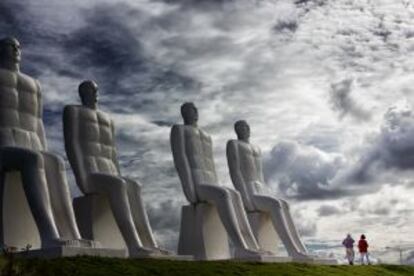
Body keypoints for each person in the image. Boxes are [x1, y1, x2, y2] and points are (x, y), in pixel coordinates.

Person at [0, 37, 88, 248]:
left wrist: (45, 151)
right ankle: (48, 235)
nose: (16, 49)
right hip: (3, 147)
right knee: (32, 158)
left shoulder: (34, 84)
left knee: (55, 161)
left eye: (18, 46)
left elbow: (38, 122)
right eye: (10, 46)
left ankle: (72, 233)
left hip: (29, 145)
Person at [63, 80, 168, 257]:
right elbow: (71, 144)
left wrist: (118, 174)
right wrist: (81, 178)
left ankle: (150, 243)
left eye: (96, 89)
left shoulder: (108, 120)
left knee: (133, 185)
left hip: (109, 173)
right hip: (90, 174)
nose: (94, 93)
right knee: (119, 184)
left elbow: (112, 153)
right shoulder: (73, 111)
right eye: (90, 90)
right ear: (82, 93)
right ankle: (133, 245)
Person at [170, 102, 267, 259]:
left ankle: (251, 246)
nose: (193, 112)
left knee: (235, 194)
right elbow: (180, 158)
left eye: (194, 109)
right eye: (188, 110)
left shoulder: (207, 136)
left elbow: (211, 164)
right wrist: (189, 188)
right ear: (183, 114)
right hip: (197, 183)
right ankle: (240, 246)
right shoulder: (179, 130)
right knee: (225, 195)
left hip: (210, 181)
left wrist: (215, 183)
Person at [226, 120, 311, 260]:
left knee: (284, 204)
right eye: (240, 127)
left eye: (246, 126)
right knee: (275, 204)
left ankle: (300, 248)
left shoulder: (256, 149)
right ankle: (292, 251)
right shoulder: (233, 144)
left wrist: (264, 191)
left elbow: (260, 175)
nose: (244, 129)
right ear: (236, 130)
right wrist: (245, 196)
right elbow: (235, 172)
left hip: (260, 189)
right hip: (248, 191)